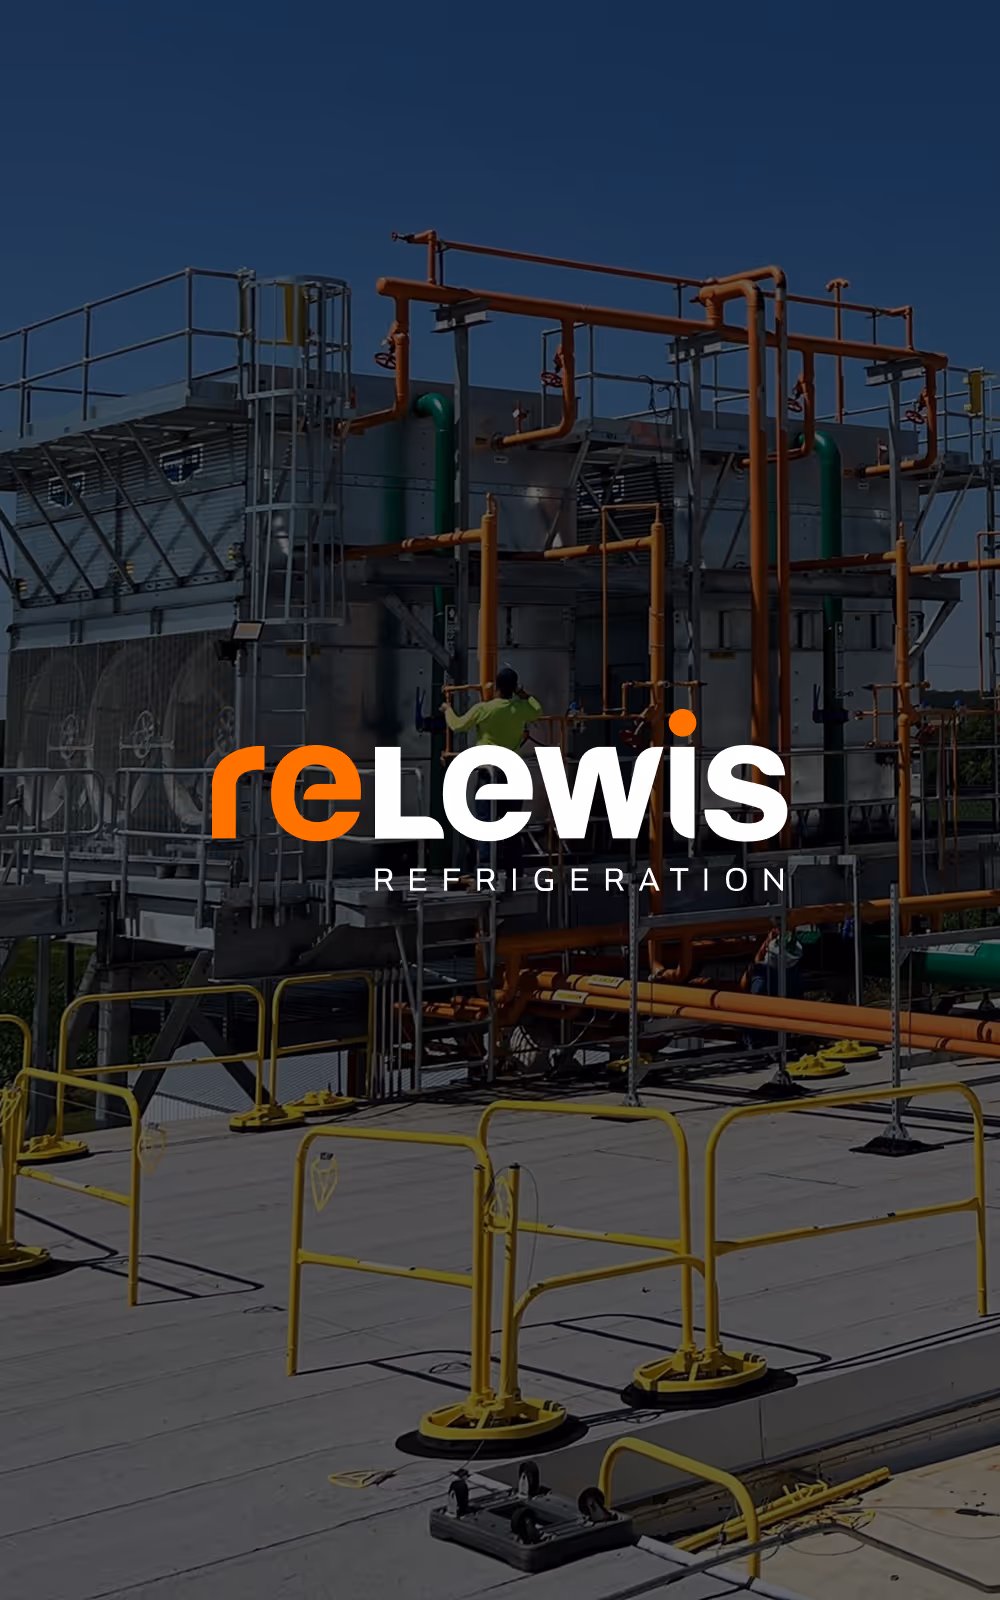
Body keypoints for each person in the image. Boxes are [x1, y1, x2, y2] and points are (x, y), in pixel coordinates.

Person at [440, 667, 543, 868]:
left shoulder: (484, 709)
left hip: (491, 773)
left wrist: (447, 709)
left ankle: (486, 875)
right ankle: (515, 875)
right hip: (514, 773)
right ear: (515, 688)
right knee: (511, 825)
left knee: (485, 824)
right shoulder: (521, 709)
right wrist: (525, 695)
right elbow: (537, 709)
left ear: (495, 687)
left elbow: (458, 725)